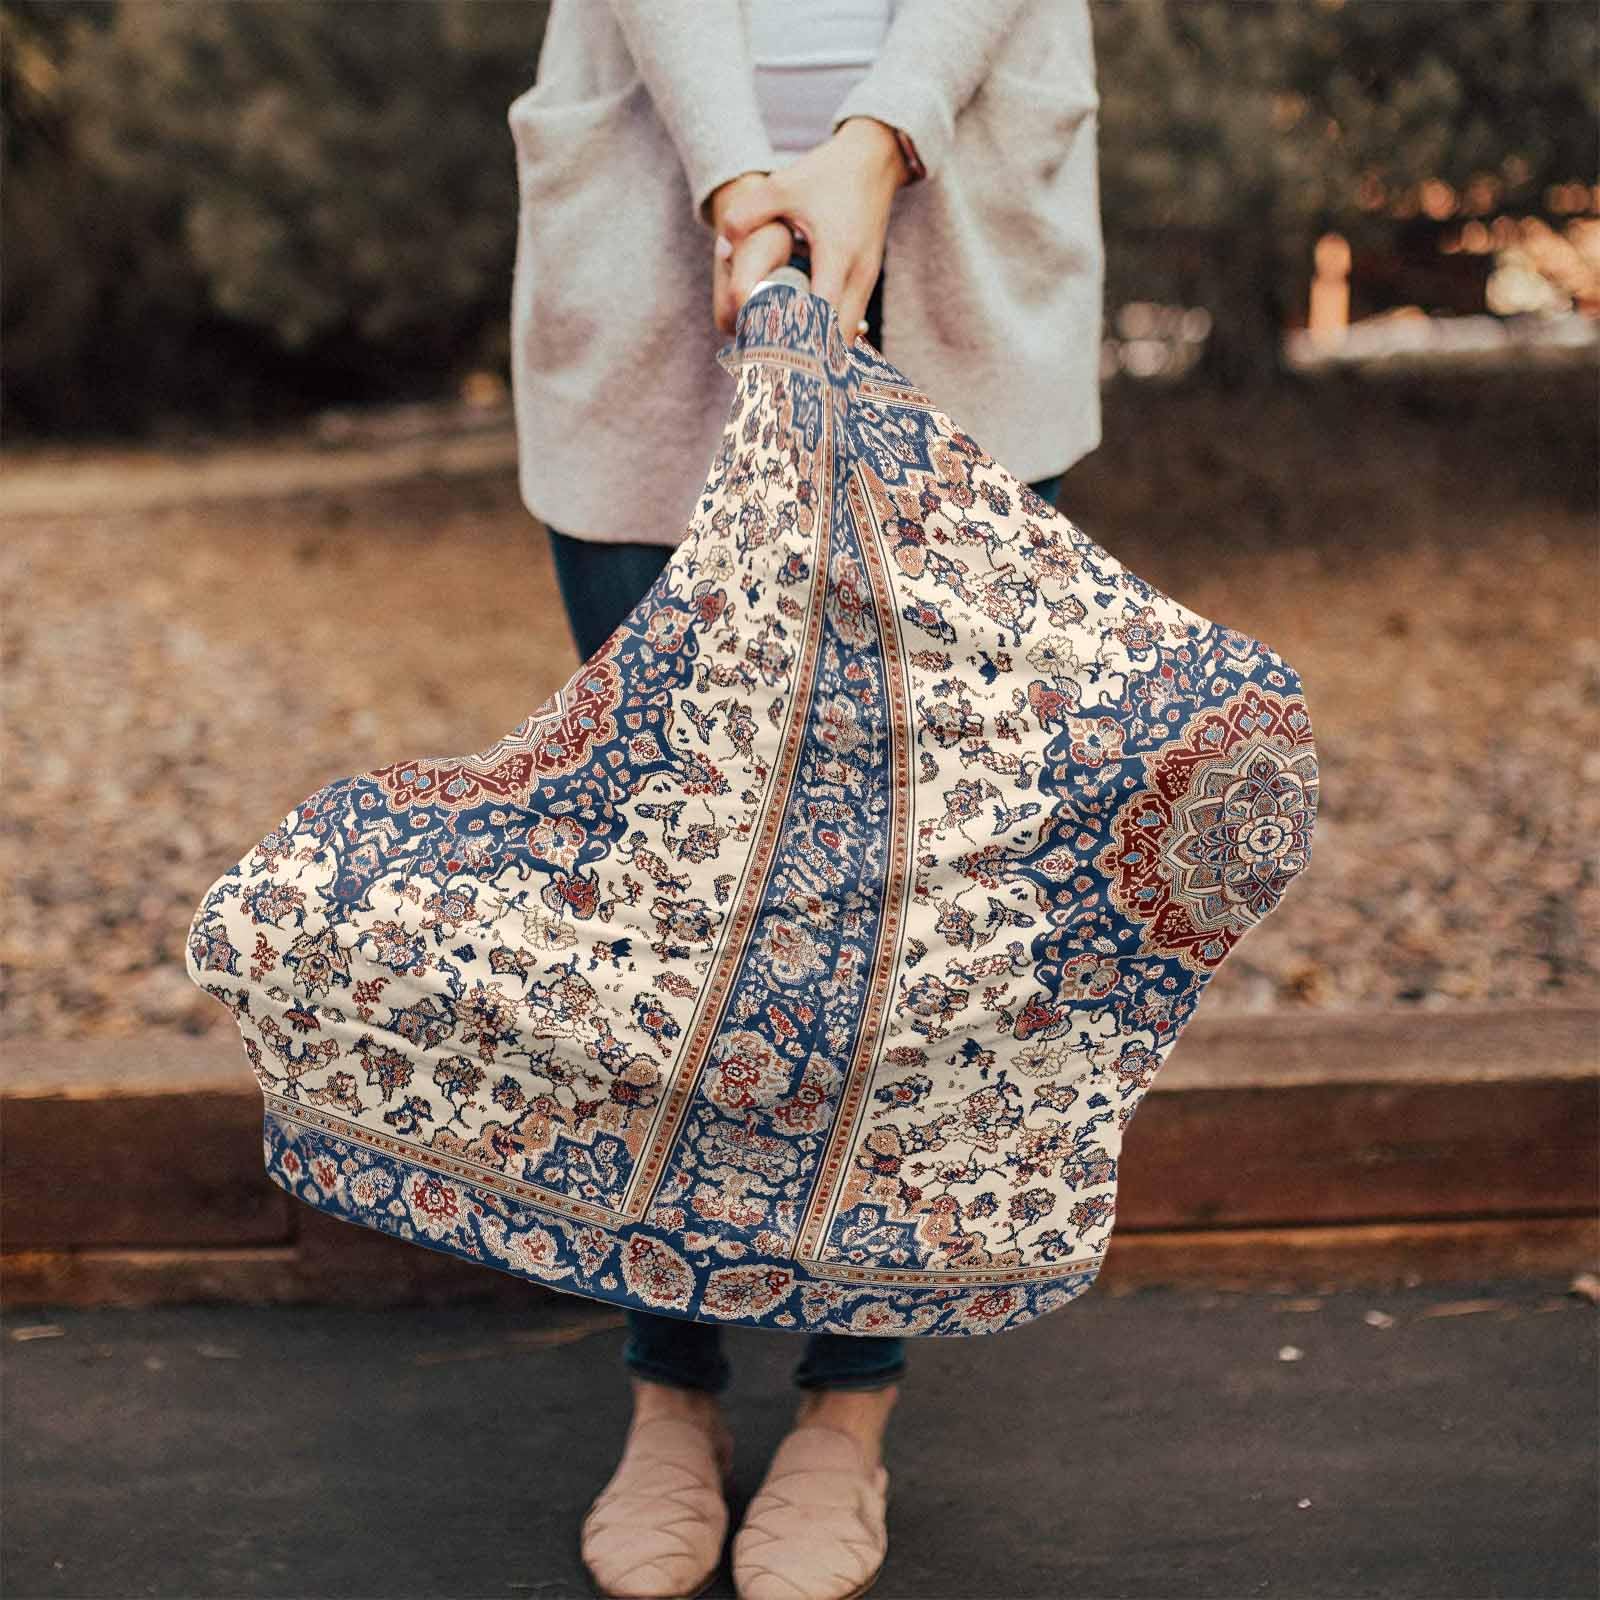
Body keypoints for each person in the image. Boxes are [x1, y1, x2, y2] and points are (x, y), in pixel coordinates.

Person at [505, 4, 1103, 1596]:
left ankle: (849, 1406)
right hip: (658, 225)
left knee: (919, 893)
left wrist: (876, 138)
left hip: (959, 230)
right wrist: (735, 178)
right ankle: (671, 1387)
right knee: (670, 890)